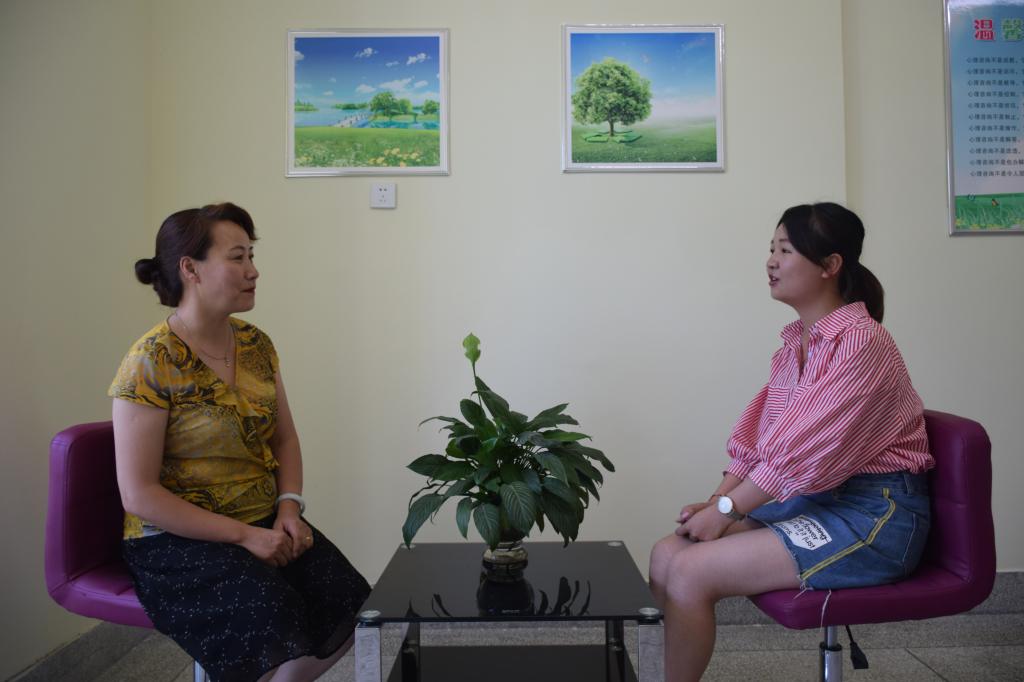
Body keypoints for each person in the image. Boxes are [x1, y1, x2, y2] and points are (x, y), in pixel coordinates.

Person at [649, 202, 934, 682]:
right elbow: (762, 443)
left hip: (875, 515)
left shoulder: (862, 342)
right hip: (819, 501)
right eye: (771, 249)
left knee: (691, 571)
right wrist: (718, 502)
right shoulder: (796, 344)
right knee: (666, 555)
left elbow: (801, 454)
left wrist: (726, 511)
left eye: (785, 250)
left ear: (830, 265)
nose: (771, 261)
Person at [110, 202, 371, 682]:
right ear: (190, 269)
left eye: (251, 256)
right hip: (178, 540)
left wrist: (289, 509)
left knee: (351, 600)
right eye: (237, 258)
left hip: (263, 517)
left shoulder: (256, 345)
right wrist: (245, 536)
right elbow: (139, 495)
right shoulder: (150, 360)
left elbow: (285, 438)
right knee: (270, 612)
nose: (253, 271)